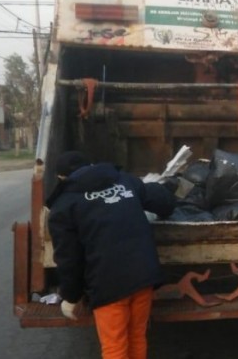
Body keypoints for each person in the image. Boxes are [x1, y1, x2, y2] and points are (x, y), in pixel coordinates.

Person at [46, 151, 176, 359]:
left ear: (61, 178)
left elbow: (69, 260)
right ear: (91, 165)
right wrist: (170, 191)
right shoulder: (124, 180)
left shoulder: (63, 205)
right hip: (144, 275)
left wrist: (71, 297)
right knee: (136, 337)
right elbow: (161, 200)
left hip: (108, 283)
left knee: (115, 346)